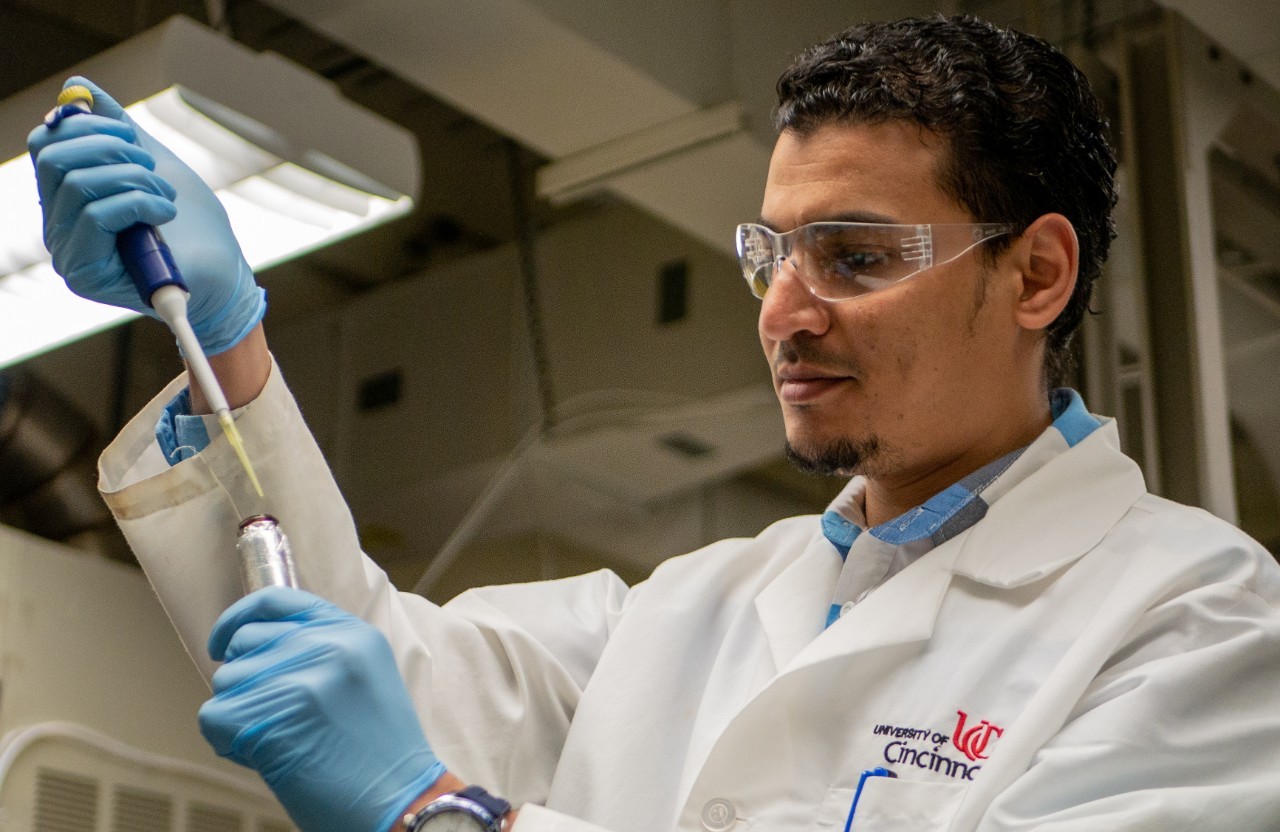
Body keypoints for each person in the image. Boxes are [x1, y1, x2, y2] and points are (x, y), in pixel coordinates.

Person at [27, 14, 1280, 832]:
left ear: (1035, 276)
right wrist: (224, 337)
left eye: (852, 255)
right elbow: (352, 665)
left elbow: (407, 776)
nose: (784, 312)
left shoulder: (1197, 619)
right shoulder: (686, 611)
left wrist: (447, 819)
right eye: (769, 254)